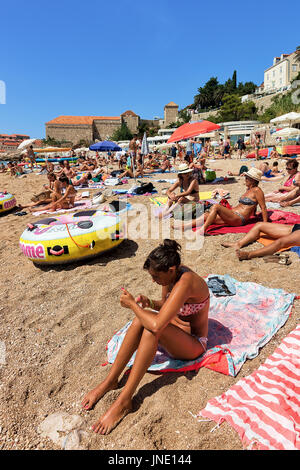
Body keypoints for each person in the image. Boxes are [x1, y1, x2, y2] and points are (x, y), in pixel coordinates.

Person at [81, 239, 209, 435]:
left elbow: (158, 324)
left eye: (156, 277)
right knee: (139, 322)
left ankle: (124, 400)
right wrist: (149, 302)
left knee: (151, 329)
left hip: (194, 343)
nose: (154, 281)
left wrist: (133, 305)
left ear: (172, 269)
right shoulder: (171, 276)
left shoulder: (186, 281)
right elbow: (166, 306)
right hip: (175, 329)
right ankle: (111, 381)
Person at [174, 168, 268, 231]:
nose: (245, 179)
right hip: (233, 214)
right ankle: (185, 226)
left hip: (239, 218)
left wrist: (265, 225)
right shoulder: (249, 189)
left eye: (247, 178)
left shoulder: (257, 190)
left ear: (253, 180)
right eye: (246, 177)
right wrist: (254, 214)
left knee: (216, 207)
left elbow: (263, 207)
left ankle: (202, 230)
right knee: (207, 215)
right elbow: (253, 206)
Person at [222, 221, 300, 260]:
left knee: (280, 242)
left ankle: (250, 255)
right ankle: (238, 244)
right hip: (294, 228)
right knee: (259, 225)